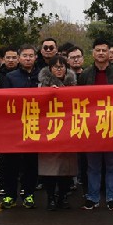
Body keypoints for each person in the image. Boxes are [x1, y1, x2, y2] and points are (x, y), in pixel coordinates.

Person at [77, 38, 113, 211]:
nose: (101, 53)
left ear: (109, 53)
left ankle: (112, 197)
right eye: (98, 50)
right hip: (92, 125)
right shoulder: (85, 75)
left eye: (104, 50)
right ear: (93, 53)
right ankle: (92, 197)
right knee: (93, 166)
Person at [0, 45, 42, 209]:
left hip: (35, 124)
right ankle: (10, 195)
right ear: (19, 58)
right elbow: (2, 99)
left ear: (35, 57)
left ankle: (29, 193)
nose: (28, 58)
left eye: (31, 55)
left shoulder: (42, 76)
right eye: (24, 55)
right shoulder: (10, 77)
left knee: (31, 162)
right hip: (14, 125)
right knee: (11, 162)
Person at [37, 56, 77, 211]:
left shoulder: (73, 85)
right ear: (50, 69)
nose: (59, 69)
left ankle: (63, 196)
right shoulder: (42, 86)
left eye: (62, 66)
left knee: (66, 168)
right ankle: (50, 197)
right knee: (49, 167)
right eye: (55, 67)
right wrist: (48, 93)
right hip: (48, 130)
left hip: (68, 129)